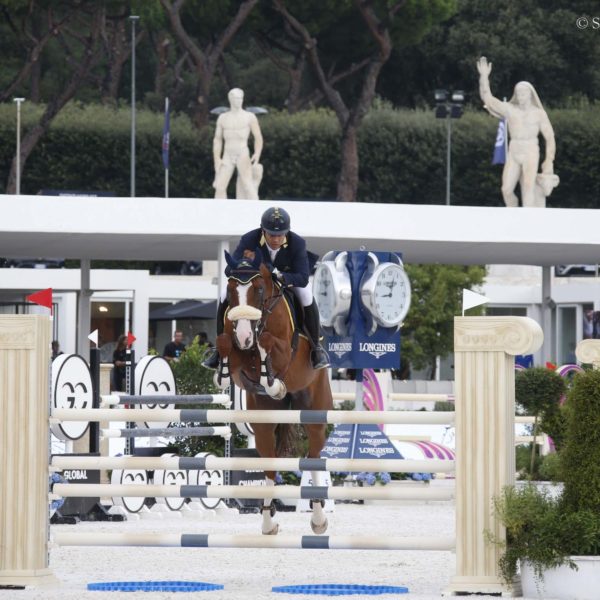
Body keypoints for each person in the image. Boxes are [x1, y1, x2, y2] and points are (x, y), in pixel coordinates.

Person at [203, 206, 330, 370]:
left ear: (287, 232)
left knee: (306, 295)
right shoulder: (249, 239)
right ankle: (218, 350)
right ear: (263, 231)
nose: (276, 239)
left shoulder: (297, 243)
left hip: (286, 279)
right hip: (257, 281)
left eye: (280, 235)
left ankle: (316, 348)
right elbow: (230, 269)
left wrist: (280, 276)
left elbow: (303, 277)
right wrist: (244, 263)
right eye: (271, 234)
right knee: (223, 295)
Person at [477, 56, 556, 208]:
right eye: (518, 93)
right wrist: (484, 77)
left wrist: (549, 159)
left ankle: (527, 222)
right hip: (514, 150)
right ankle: (512, 214)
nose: (520, 97)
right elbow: (488, 98)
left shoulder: (538, 113)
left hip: (530, 150)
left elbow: (550, 137)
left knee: (528, 187)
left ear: (530, 94)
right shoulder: (510, 110)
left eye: (523, 93)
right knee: (506, 189)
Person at [212, 88, 263, 200]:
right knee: (220, 187)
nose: (239, 101)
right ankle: (219, 213)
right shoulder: (223, 118)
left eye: (241, 98)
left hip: (242, 152)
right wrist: (217, 157)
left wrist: (257, 153)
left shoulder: (249, 117)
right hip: (227, 154)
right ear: (230, 99)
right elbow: (217, 139)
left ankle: (256, 210)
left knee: (247, 185)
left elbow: (258, 137)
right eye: (236, 98)